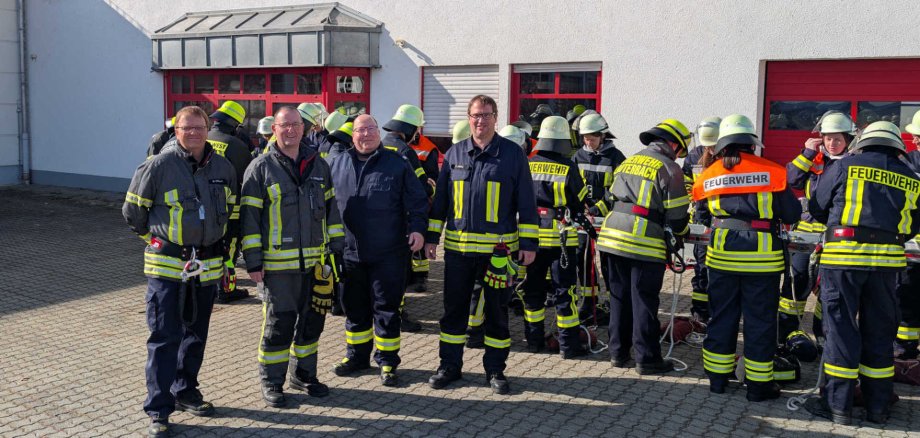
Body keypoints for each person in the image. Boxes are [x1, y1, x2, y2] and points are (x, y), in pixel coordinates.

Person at [123, 106, 237, 438]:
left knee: (196, 335)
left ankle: (186, 390)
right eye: (186, 128)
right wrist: (157, 242)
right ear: (176, 131)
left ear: (207, 128)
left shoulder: (223, 167)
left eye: (198, 127)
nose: (193, 133)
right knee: (163, 338)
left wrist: (226, 256)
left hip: (207, 266)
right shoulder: (158, 165)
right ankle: (158, 409)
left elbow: (231, 212)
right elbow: (133, 212)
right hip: (167, 268)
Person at [803, 121, 920, 425]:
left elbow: (817, 206)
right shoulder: (910, 177)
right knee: (880, 333)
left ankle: (837, 406)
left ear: (863, 142)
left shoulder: (846, 165)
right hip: (887, 266)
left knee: (841, 330)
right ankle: (877, 407)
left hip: (844, 260)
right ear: (897, 146)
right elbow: (912, 227)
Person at [425, 94, 539, 394]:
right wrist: (431, 238)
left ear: (495, 118)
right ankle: (449, 366)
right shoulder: (455, 154)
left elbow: (526, 203)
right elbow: (441, 203)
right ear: (468, 117)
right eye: (475, 115)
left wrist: (528, 243)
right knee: (453, 312)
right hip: (459, 252)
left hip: (498, 254)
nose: (480, 121)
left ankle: (495, 370)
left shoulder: (513, 155)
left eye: (486, 115)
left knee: (497, 314)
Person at [239, 106, 345, 408]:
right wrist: (254, 261)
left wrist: (336, 248)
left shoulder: (319, 166)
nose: (290, 131)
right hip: (277, 268)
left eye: (295, 125)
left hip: (315, 265)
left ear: (305, 128)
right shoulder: (259, 168)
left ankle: (303, 375)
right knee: (279, 324)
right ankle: (272, 381)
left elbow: (332, 211)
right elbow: (249, 219)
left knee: (313, 323)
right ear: (274, 129)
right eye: (284, 126)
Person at [691, 115, 801, 401]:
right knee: (760, 321)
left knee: (722, 317)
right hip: (762, 259)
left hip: (721, 256)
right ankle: (758, 386)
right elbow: (791, 214)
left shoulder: (709, 174)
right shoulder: (773, 172)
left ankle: (717, 379)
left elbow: (701, 215)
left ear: (723, 144)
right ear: (751, 143)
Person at [327, 114, 429, 386]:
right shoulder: (337, 163)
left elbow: (417, 200)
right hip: (349, 253)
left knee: (386, 309)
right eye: (361, 130)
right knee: (355, 309)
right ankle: (357, 357)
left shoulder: (397, 163)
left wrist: (418, 229)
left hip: (389, 252)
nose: (367, 134)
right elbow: (324, 205)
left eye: (371, 129)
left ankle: (387, 362)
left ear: (377, 133)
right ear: (353, 135)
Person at [595, 118, 692, 374]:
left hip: (610, 238)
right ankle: (647, 359)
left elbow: (610, 197)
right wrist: (681, 234)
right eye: (680, 149)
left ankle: (617, 354)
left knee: (618, 299)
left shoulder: (628, 161)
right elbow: (678, 215)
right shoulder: (670, 168)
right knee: (643, 301)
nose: (680, 155)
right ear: (673, 144)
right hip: (643, 243)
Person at [521, 115, 596, 358]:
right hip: (562, 239)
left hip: (531, 238)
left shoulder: (528, 164)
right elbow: (580, 200)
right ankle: (568, 346)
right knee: (565, 292)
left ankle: (533, 341)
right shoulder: (568, 166)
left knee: (533, 291)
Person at [783, 111, 856, 348]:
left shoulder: (854, 162)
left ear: (848, 140)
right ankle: (787, 331)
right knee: (797, 282)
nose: (832, 144)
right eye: (828, 139)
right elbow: (790, 179)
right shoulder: (814, 159)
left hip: (837, 234)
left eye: (838, 139)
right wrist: (807, 152)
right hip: (807, 232)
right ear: (821, 139)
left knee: (830, 288)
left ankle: (823, 335)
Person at [381, 104, 432, 332]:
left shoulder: (380, 144)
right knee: (398, 273)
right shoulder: (404, 150)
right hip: (400, 219)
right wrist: (431, 188)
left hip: (379, 218)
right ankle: (398, 316)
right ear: (410, 129)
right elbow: (419, 186)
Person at [574, 113, 626, 325]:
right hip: (584, 218)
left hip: (607, 218)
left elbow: (617, 190)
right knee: (582, 259)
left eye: (592, 138)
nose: (588, 141)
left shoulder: (616, 158)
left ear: (602, 136)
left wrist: (598, 208)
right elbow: (573, 184)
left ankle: (615, 305)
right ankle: (589, 302)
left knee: (609, 263)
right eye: (585, 137)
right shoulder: (578, 156)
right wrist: (582, 205)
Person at [208, 100, 254, 303]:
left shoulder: (203, 139)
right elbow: (247, 178)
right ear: (235, 124)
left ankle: (209, 286)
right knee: (230, 248)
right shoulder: (237, 146)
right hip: (230, 209)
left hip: (203, 207)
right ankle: (225, 289)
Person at [681, 117, 720, 324]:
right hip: (701, 217)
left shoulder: (727, 156)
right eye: (707, 145)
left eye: (713, 144)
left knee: (719, 268)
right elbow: (686, 180)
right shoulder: (694, 156)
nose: (710, 149)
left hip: (721, 219)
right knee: (701, 266)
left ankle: (717, 309)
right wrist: (692, 200)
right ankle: (699, 311)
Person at [897, 110, 920, 359]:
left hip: (912, 247)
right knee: (907, 304)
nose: (914, 141)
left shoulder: (909, 164)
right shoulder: (907, 163)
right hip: (912, 251)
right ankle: (905, 350)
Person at [407, 133, 441, 293]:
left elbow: (434, 175)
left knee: (421, 237)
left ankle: (421, 278)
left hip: (423, 198)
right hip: (408, 198)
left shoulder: (428, 148)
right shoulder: (399, 144)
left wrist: (428, 189)